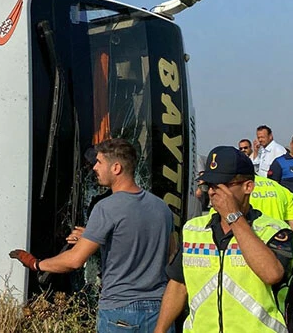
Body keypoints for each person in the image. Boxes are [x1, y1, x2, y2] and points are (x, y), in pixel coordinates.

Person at [10, 138, 173, 332]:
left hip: (120, 313)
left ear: (116, 168)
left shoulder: (106, 208)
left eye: (99, 162)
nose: (94, 167)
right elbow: (169, 255)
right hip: (160, 311)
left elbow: (75, 260)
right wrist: (95, 238)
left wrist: (36, 264)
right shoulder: (161, 208)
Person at [154, 145, 293, 333]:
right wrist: (160, 329)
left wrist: (234, 217)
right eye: (210, 185)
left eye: (222, 185)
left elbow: (272, 274)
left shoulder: (274, 231)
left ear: (248, 186)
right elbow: (179, 284)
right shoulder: (195, 230)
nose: (213, 192)